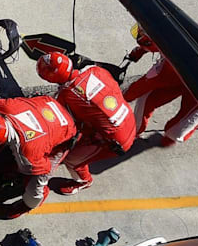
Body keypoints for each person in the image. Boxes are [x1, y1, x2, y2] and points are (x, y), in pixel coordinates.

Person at [36, 51, 135, 194]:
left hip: (115, 141)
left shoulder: (66, 95)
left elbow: (66, 124)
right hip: (128, 119)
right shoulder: (95, 70)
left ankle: (83, 181)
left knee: (72, 160)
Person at [0, 96, 82, 217]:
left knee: (35, 185)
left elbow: (44, 169)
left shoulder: (28, 157)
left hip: (67, 131)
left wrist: (32, 191)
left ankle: (27, 205)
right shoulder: (3, 106)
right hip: (50, 106)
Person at [123, 24, 198, 146]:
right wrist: (139, 51)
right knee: (146, 99)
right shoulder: (170, 34)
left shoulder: (159, 71)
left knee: (176, 132)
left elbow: (136, 89)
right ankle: (134, 130)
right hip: (178, 77)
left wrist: (120, 98)